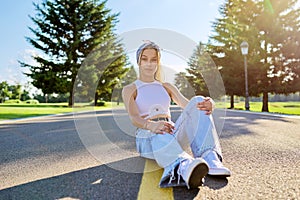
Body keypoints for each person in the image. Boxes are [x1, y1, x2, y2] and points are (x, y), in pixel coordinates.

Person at [122, 41, 231, 189]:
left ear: (158, 62)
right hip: (147, 135)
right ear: (138, 61)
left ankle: (209, 157)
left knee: (198, 101)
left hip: (171, 133)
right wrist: (152, 125)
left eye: (153, 59)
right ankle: (182, 167)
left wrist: (210, 103)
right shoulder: (130, 88)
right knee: (160, 132)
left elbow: (191, 107)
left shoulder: (166, 86)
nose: (149, 63)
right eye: (144, 59)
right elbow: (134, 117)